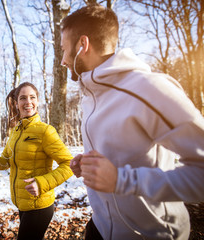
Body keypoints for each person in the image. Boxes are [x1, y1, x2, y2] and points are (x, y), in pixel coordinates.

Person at [60, 4, 204, 240]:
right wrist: (88, 165)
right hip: (100, 227)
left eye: (64, 50)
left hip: (151, 234)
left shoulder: (149, 89)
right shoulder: (90, 95)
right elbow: (120, 153)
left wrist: (120, 180)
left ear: (82, 45)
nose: (63, 60)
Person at [0, 82, 73, 240]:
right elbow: (6, 162)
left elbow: (69, 164)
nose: (28, 102)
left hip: (39, 206)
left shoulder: (45, 131)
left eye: (32, 97)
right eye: (23, 98)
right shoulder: (16, 131)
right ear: (16, 103)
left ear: (37, 101)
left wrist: (41, 183)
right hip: (23, 204)